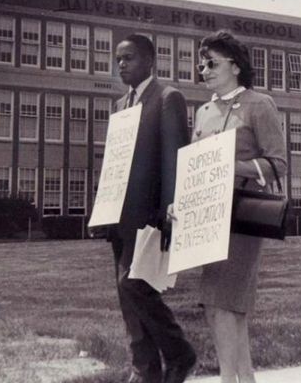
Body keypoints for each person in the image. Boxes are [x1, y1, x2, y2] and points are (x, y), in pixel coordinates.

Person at [93, 34, 195, 383]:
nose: (121, 64)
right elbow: (115, 166)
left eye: (129, 58)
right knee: (126, 296)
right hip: (119, 217)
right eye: (118, 59)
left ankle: (179, 353)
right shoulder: (120, 105)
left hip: (149, 216)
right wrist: (102, 212)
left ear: (150, 61)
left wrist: (169, 208)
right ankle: (145, 369)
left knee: (134, 285)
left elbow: (175, 156)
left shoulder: (168, 98)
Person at [193, 29, 286, 383]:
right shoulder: (203, 112)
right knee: (222, 304)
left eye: (211, 63)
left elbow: (278, 164)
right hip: (208, 217)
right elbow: (196, 166)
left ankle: (228, 379)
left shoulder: (258, 104)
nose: (204, 70)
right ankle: (243, 379)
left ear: (235, 66)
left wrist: (230, 166)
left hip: (242, 217)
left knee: (223, 302)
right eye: (201, 64)